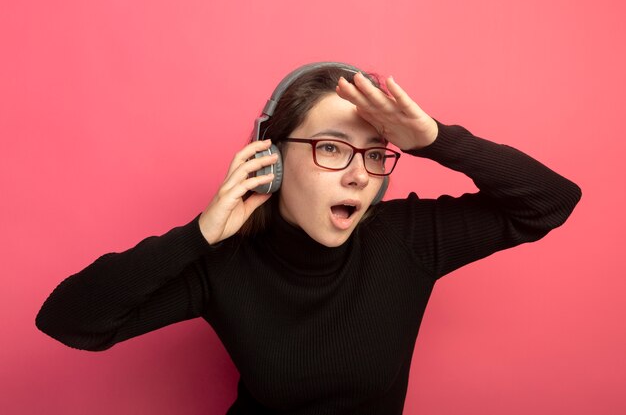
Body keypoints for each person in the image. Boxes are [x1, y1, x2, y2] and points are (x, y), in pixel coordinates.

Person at [36, 62, 582, 414]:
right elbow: (70, 321)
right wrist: (199, 235)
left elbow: (549, 201)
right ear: (271, 160)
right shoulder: (223, 264)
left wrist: (436, 140)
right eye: (331, 147)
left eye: (374, 153)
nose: (358, 174)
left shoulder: (410, 239)